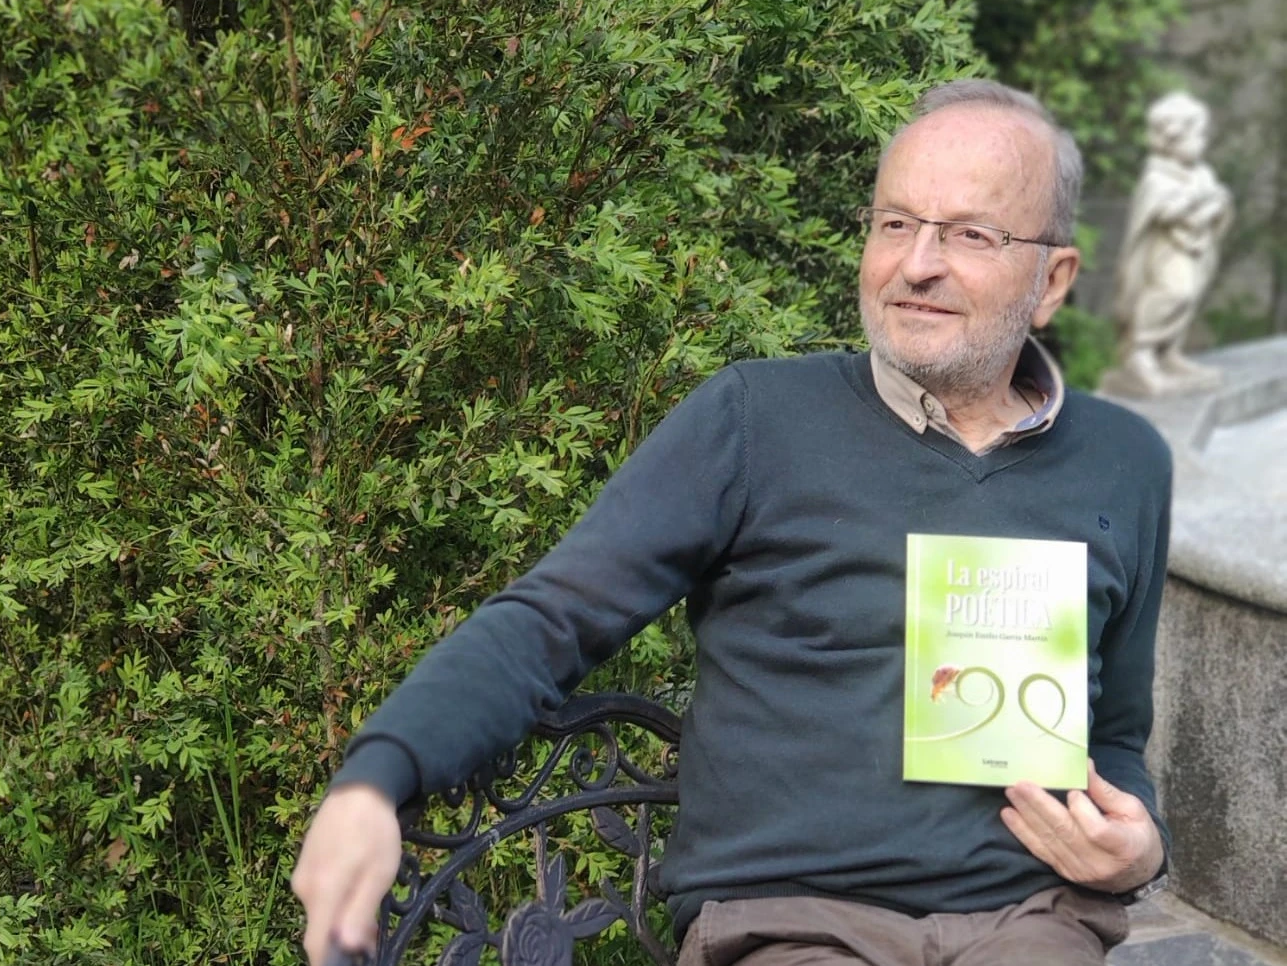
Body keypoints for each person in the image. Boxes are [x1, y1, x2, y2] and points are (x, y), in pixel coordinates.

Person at [292, 80, 1172, 966]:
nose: (917, 264)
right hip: (791, 924)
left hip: (1029, 922)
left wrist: (1140, 851)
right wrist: (376, 779)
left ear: (1051, 280)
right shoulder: (754, 419)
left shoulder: (1123, 461)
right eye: (894, 223)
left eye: (970, 235)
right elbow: (552, 620)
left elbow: (1116, 735)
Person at [1107, 90, 1232, 396]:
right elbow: (1165, 210)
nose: (1203, 142)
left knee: (1190, 295)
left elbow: (1219, 201)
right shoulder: (1158, 177)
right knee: (1175, 292)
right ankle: (1140, 351)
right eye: (1196, 135)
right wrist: (1200, 203)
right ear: (1172, 139)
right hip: (1165, 254)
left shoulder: (1201, 172)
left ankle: (1167, 352)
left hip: (1195, 249)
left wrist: (1208, 206)